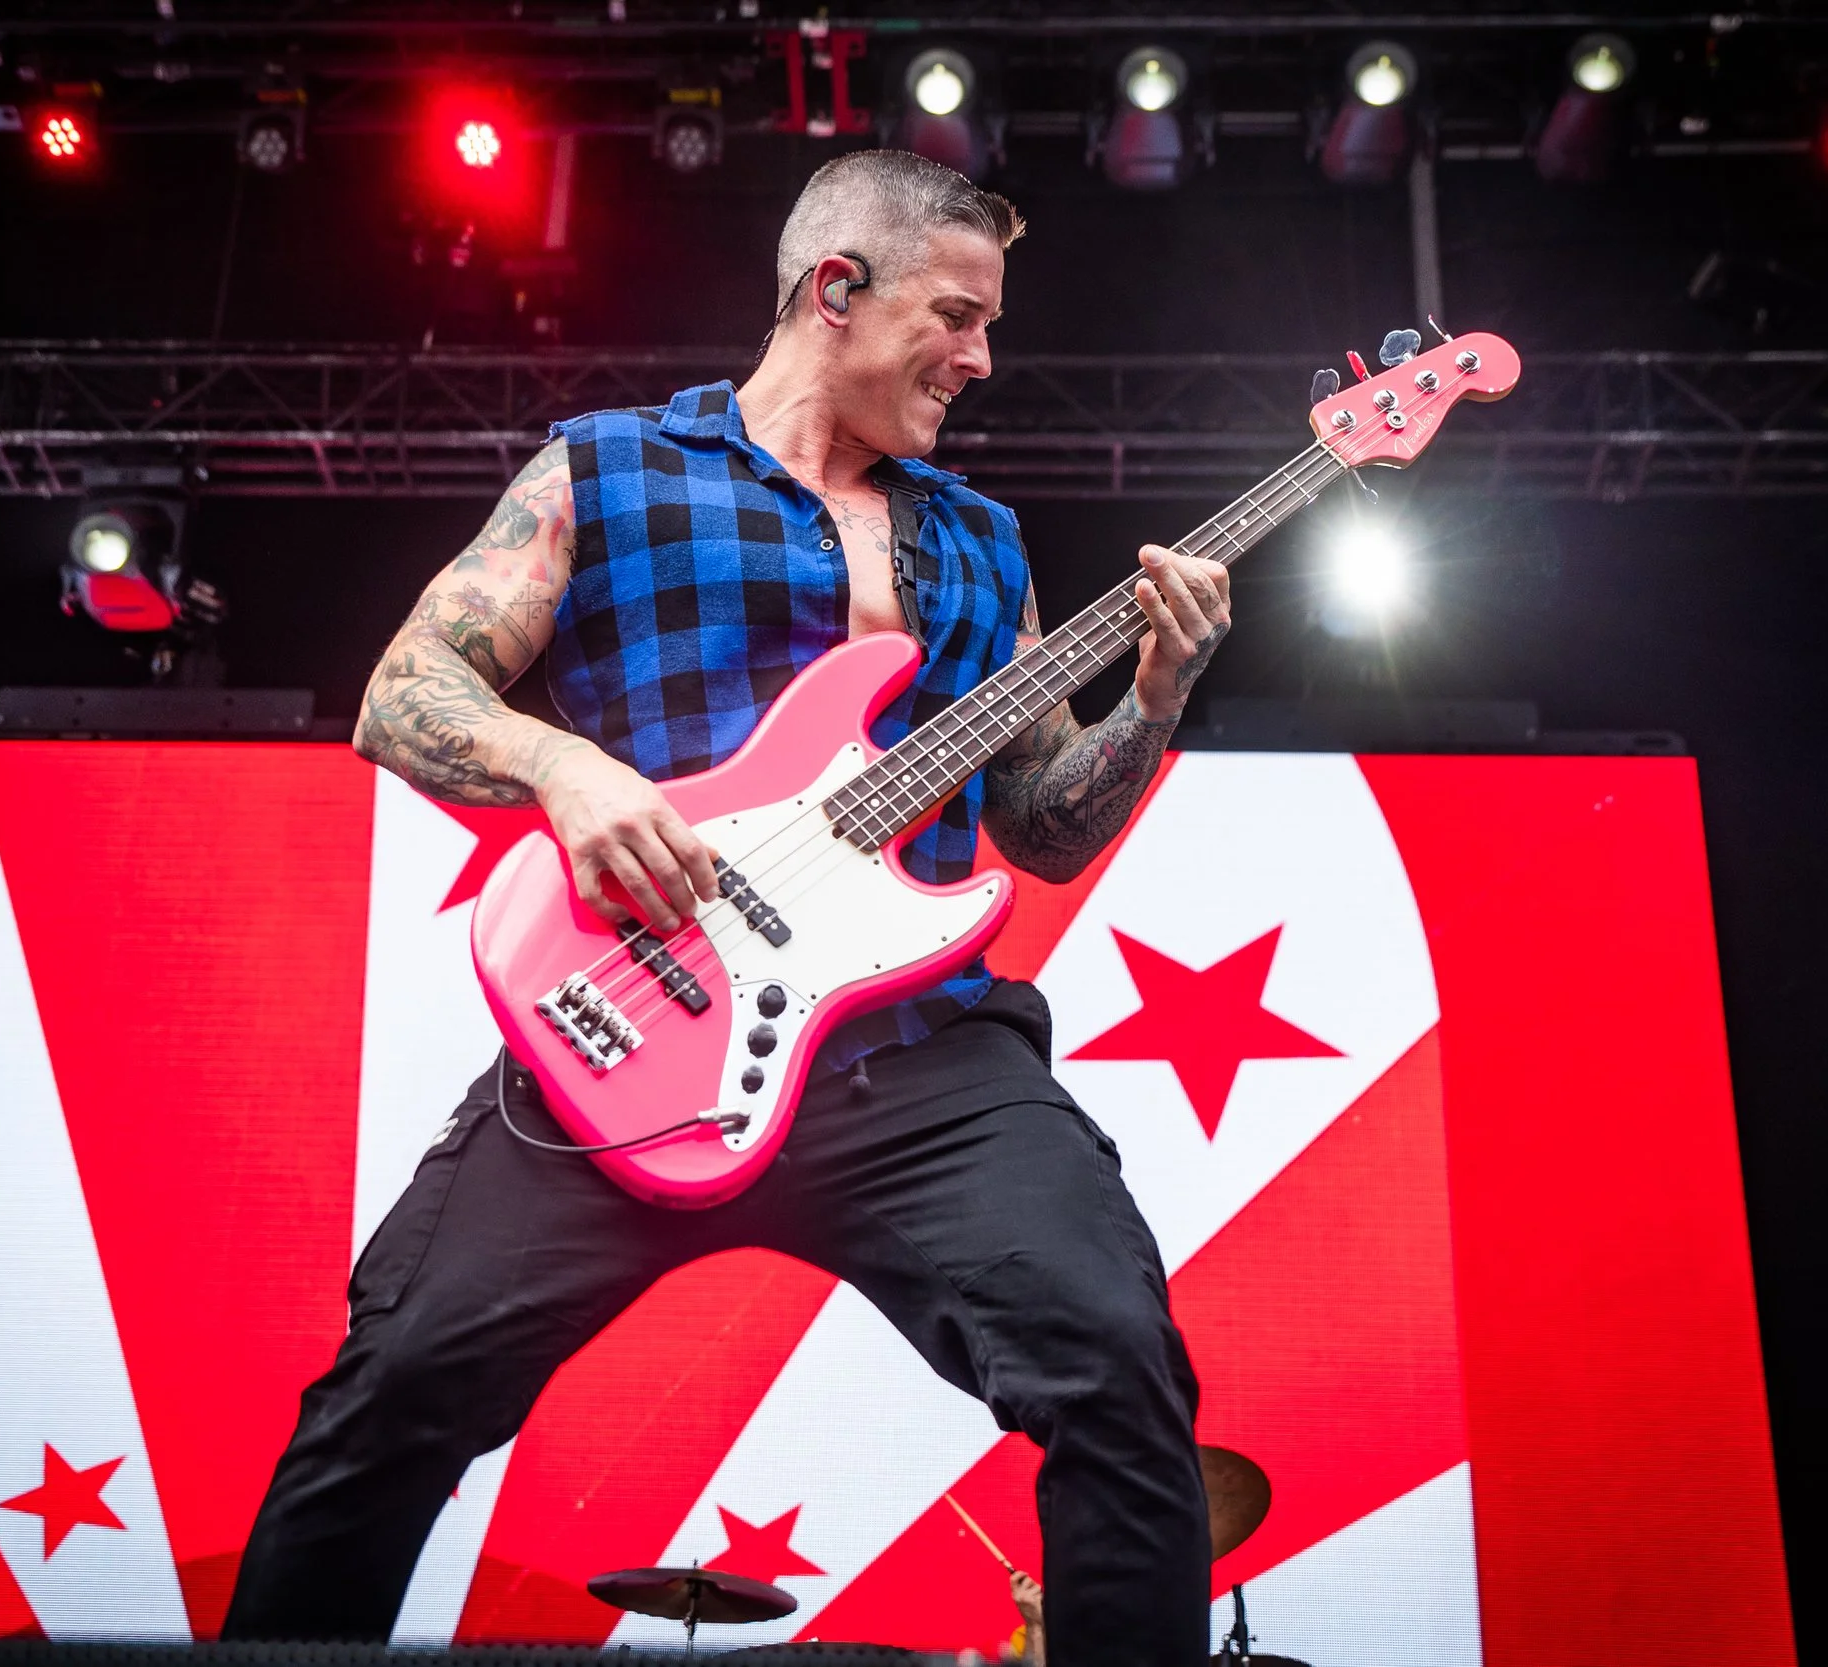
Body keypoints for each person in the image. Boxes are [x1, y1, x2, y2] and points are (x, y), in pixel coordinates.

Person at [222, 150, 1232, 1666]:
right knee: (394, 1388)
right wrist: (561, 766)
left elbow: (1043, 828)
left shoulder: (982, 542)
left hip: (920, 1061)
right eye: (956, 317)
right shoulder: (607, 471)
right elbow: (404, 694)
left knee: (1118, 1366)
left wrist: (1153, 700)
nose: (981, 358)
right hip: (637, 1036)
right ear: (837, 290)